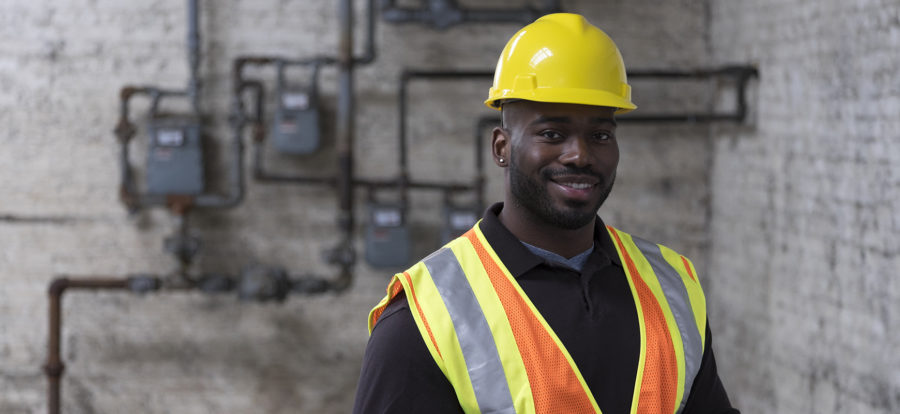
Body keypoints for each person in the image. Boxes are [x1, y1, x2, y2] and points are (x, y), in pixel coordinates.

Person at [353, 13, 738, 414]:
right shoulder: (425, 318)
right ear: (501, 147)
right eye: (552, 134)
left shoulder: (671, 286)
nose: (580, 155)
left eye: (600, 135)